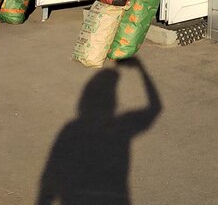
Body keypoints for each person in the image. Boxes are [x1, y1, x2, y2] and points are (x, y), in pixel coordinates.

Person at [37, 59, 161, 205]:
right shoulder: (121, 126)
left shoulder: (72, 128)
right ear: (113, 101)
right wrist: (141, 69)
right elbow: (155, 107)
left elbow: (51, 170)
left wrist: (43, 200)